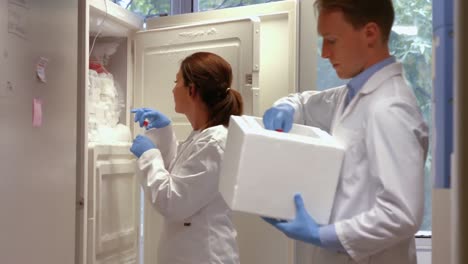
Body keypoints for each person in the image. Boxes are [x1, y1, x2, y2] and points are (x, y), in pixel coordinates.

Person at [261, 0, 429, 263]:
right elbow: (305, 103)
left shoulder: (389, 108)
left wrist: (323, 235)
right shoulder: (351, 95)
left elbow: (402, 214)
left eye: (331, 40)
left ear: (370, 33)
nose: (324, 53)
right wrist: (286, 107)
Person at [130, 52, 243, 264]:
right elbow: (180, 175)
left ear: (192, 90)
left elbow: (173, 201)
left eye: (177, 81)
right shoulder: (203, 137)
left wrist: (148, 155)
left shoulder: (215, 142)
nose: (173, 89)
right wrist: (164, 132)